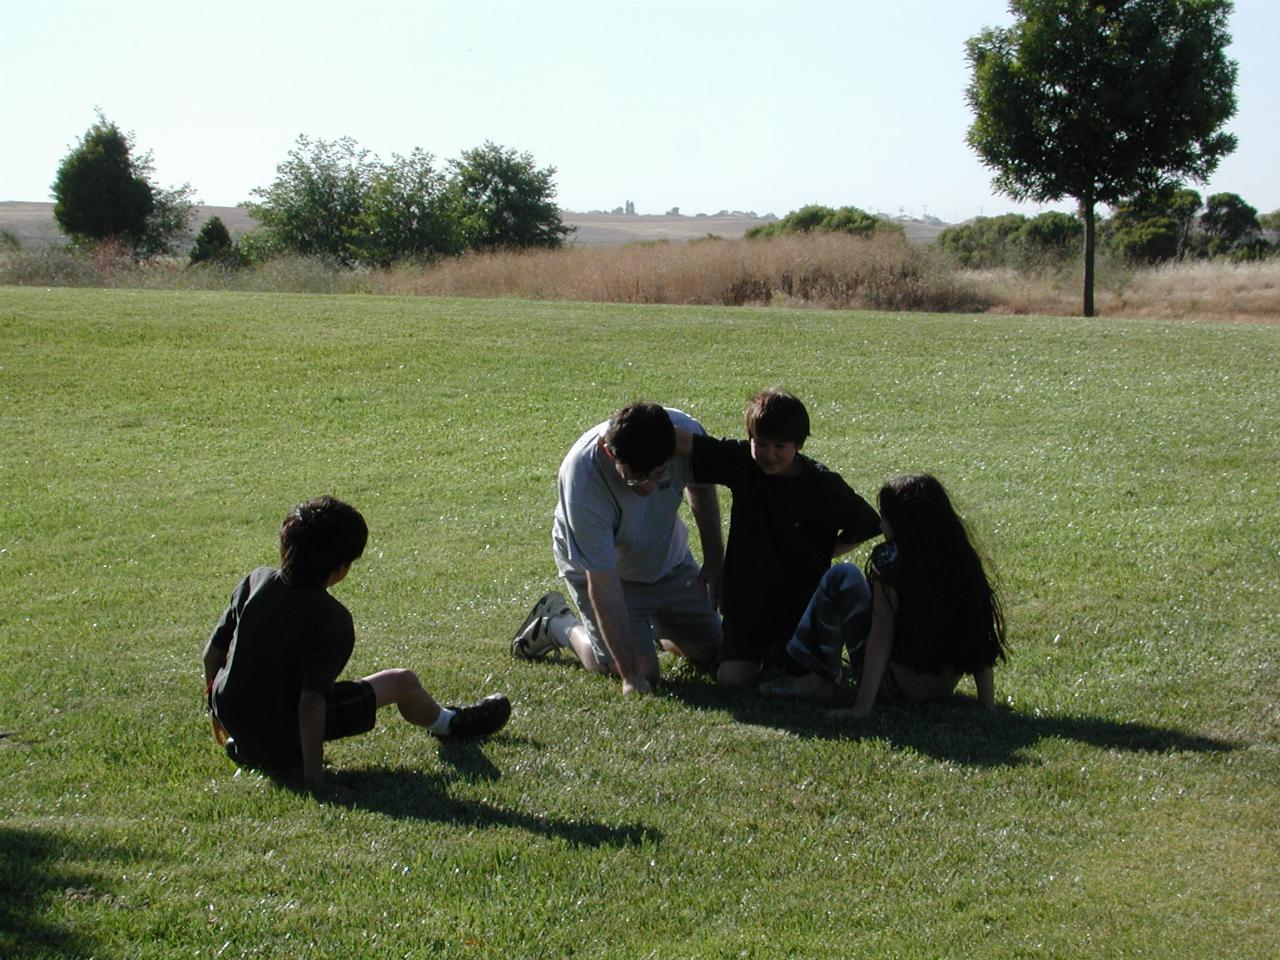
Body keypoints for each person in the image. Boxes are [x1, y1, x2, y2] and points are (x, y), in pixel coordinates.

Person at [202, 496, 510, 788]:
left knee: (270, 697)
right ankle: (451, 724)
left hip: (233, 716)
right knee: (403, 682)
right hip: (281, 734)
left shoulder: (255, 582)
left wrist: (219, 713)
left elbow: (211, 655)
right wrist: (314, 781)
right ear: (340, 569)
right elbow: (310, 703)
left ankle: (248, 746)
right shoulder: (331, 619)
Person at [511, 402, 724, 695]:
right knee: (642, 673)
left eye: (659, 475)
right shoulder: (583, 480)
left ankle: (648, 631)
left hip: (665, 560)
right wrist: (630, 675)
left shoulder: (684, 434)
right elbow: (603, 583)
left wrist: (714, 558)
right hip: (608, 576)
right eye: (636, 478)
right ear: (610, 453)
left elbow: (701, 488)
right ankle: (558, 625)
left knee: (713, 651)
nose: (648, 487)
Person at [674, 388, 881, 686]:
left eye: (780, 446)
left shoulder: (822, 485)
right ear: (750, 439)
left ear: (798, 444)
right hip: (747, 604)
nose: (769, 455)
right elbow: (689, 443)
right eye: (761, 443)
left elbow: (866, 523)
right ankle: (756, 651)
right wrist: (633, 429)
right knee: (731, 680)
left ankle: (787, 655)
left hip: (799, 606)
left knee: (806, 676)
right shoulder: (744, 463)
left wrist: (822, 551)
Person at [768, 473, 1007, 718]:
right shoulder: (962, 558)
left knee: (841, 576)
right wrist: (987, 705)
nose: (881, 526)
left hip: (896, 687)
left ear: (904, 522)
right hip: (941, 688)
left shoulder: (890, 559)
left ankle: (815, 679)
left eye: (885, 517)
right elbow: (979, 632)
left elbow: (882, 635)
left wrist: (862, 707)